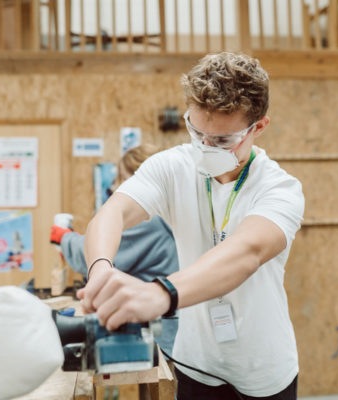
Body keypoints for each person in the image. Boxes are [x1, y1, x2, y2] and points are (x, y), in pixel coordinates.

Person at [79, 52, 305, 399]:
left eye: (222, 140)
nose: (204, 147)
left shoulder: (280, 188)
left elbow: (246, 253)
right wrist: (100, 271)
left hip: (264, 369)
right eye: (195, 131)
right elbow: (112, 213)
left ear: (258, 128)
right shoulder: (171, 167)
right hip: (196, 363)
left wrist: (160, 294)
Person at [49, 144, 179, 355]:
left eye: (120, 178)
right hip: (170, 330)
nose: (115, 186)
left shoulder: (150, 222)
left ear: (135, 178)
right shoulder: (167, 213)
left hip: (163, 339)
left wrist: (64, 238)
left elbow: (90, 256)